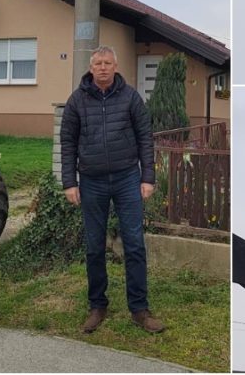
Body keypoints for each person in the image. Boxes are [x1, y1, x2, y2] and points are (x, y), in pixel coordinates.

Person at [60, 45, 164, 334]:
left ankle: (140, 310)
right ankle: (97, 306)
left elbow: (145, 138)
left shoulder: (131, 98)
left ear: (116, 66)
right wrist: (70, 182)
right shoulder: (76, 101)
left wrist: (148, 178)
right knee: (94, 246)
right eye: (98, 63)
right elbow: (67, 143)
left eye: (108, 63)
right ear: (91, 68)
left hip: (127, 179)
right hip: (91, 182)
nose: (103, 67)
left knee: (134, 244)